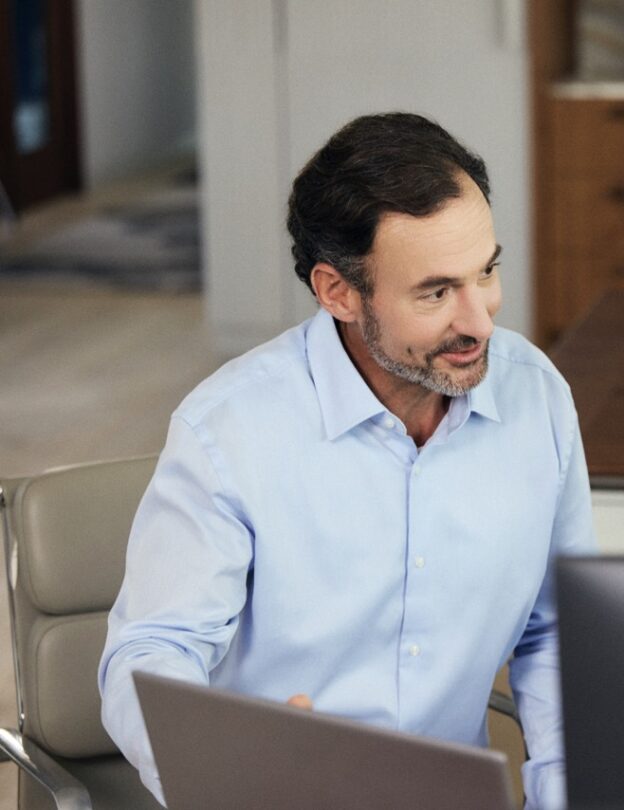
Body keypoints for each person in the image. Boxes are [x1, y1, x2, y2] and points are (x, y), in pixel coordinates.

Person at [99, 112, 595, 809]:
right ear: (337, 292)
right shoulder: (229, 431)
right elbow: (149, 655)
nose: (482, 320)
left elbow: (558, 628)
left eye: (486, 272)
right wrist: (244, 771)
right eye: (436, 291)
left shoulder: (535, 396)